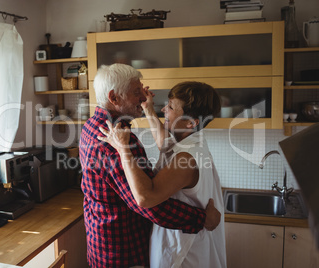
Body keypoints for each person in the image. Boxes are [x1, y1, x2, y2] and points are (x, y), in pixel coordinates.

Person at [79, 64, 221, 268]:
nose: (143, 98)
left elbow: (166, 144)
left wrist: (148, 110)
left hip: (110, 241)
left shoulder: (95, 126)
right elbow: (147, 202)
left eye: (170, 106)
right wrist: (203, 219)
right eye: (137, 92)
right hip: (123, 250)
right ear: (114, 98)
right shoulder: (114, 141)